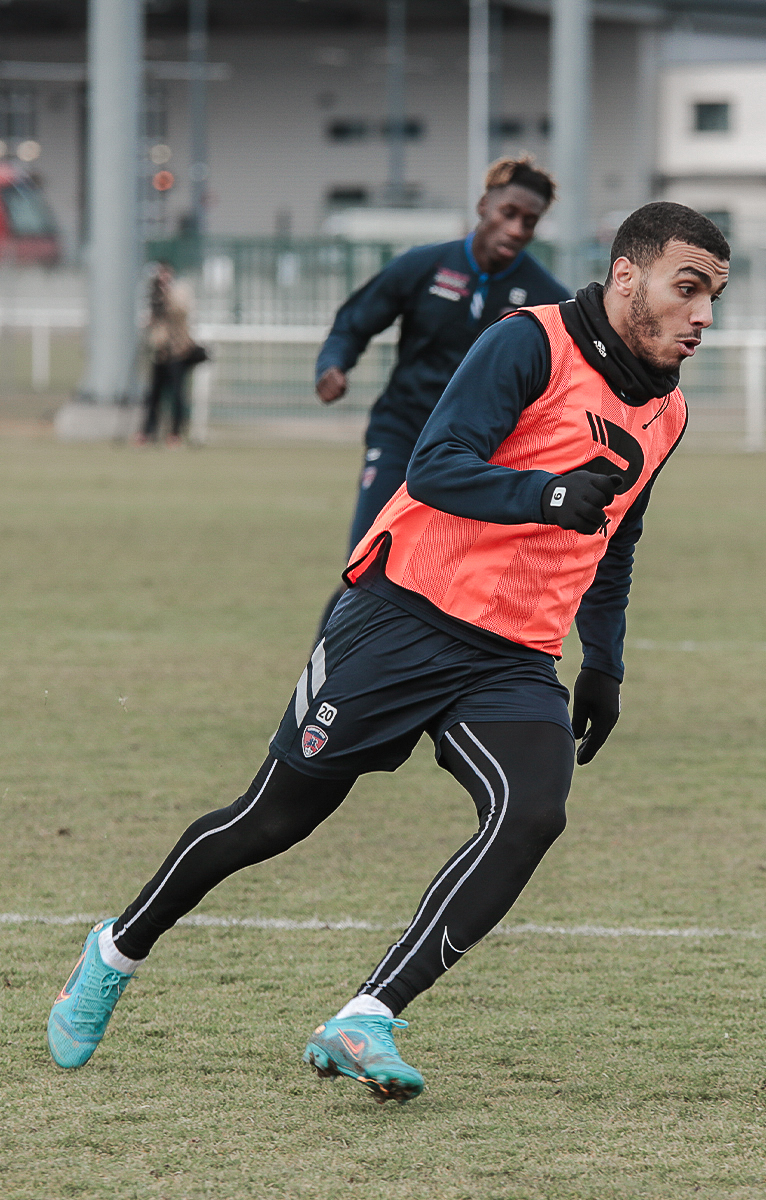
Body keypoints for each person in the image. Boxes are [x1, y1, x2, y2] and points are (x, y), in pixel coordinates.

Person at [46, 202, 731, 1105]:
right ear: (628, 275)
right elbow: (435, 467)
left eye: (715, 296)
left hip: (514, 654)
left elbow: (621, 535)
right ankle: (115, 949)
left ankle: (367, 1013)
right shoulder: (528, 344)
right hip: (401, 617)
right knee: (273, 820)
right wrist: (547, 494)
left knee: (532, 814)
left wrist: (603, 659)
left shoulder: (669, 413)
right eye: (689, 289)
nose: (704, 316)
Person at [311, 157, 570, 633]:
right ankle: (322, 684)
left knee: (447, 583)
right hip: (401, 433)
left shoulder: (544, 296)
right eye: (508, 212)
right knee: (368, 564)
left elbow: (564, 373)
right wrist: (332, 365)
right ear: (483, 206)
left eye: (529, 222)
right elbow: (355, 320)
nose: (515, 228)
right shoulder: (425, 265)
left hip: (474, 456)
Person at [138, 262, 199, 446]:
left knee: (177, 395)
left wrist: (167, 295)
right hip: (159, 352)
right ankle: (148, 432)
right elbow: (152, 322)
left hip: (177, 351)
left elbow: (181, 312)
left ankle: (175, 433)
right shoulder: (154, 296)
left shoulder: (180, 290)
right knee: (153, 395)